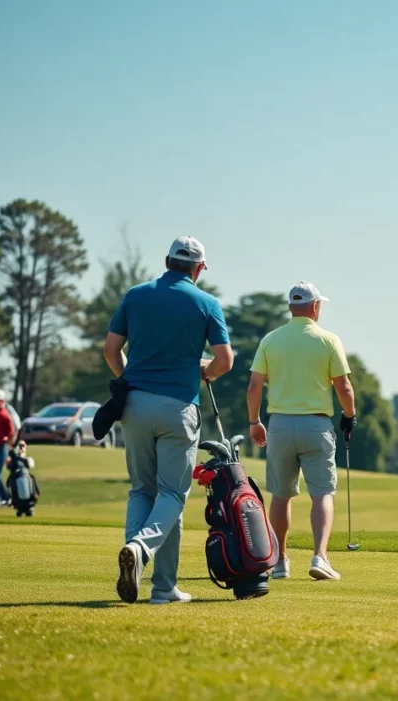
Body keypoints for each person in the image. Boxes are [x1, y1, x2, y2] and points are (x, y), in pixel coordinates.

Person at [104, 236, 234, 604]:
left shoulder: (135, 294)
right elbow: (225, 361)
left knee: (144, 492)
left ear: (166, 261)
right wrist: (207, 372)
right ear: (200, 268)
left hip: (135, 405)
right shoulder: (206, 303)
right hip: (178, 409)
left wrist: (129, 377)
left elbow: (112, 350)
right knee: (173, 494)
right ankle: (140, 550)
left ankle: (163, 587)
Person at [246, 282, 356, 582]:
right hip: (316, 426)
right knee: (322, 494)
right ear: (315, 306)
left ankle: (280, 560)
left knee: (281, 496)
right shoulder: (328, 340)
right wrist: (350, 415)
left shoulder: (271, 339)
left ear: (290, 306)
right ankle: (320, 556)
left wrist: (254, 421)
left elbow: (255, 386)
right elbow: (343, 388)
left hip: (280, 425)